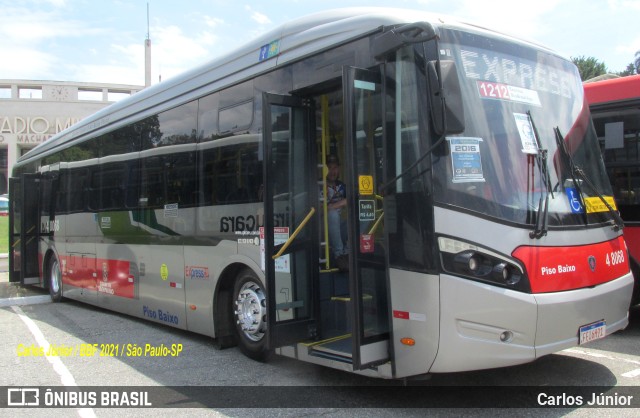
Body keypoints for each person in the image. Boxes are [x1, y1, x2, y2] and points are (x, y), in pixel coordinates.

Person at [324, 154, 348, 271]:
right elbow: (319, 207)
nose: (332, 171)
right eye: (329, 168)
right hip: (324, 230)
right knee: (332, 214)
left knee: (365, 215)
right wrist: (339, 204)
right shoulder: (320, 185)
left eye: (335, 168)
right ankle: (339, 255)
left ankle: (348, 252)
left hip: (340, 227)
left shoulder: (342, 186)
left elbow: (352, 200)